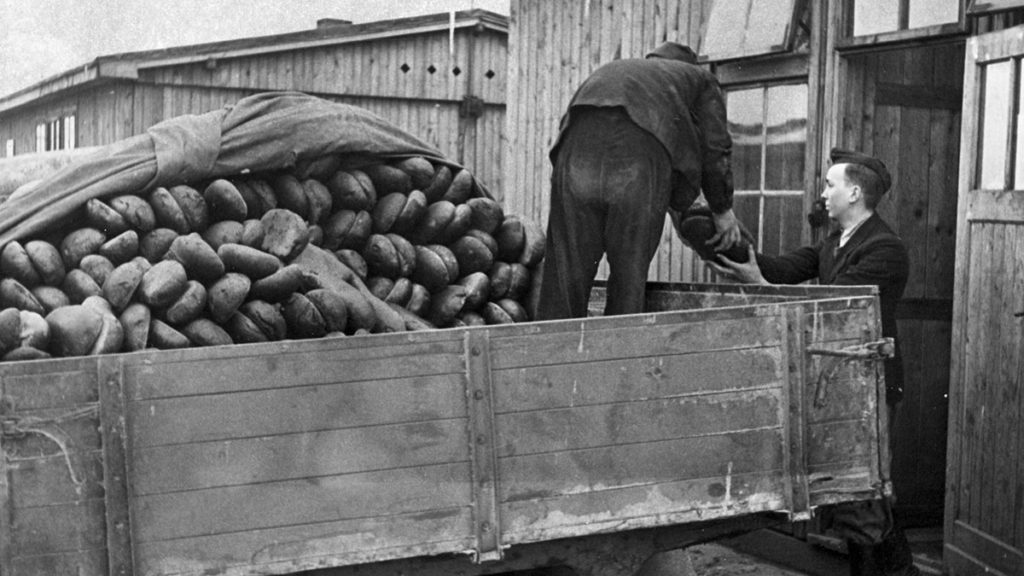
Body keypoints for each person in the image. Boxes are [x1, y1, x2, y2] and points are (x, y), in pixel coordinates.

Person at [709, 148, 918, 576]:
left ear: (855, 192)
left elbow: (829, 303)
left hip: (871, 383)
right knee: (858, 492)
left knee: (864, 491)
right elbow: (785, 268)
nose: (823, 193)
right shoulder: (834, 242)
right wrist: (733, 248)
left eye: (830, 184)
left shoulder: (885, 249)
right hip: (842, 380)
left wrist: (759, 283)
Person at [535, 41, 741, 320]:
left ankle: (549, 355)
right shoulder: (700, 79)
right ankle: (619, 356)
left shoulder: (620, 70)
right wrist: (722, 208)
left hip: (572, 155)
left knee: (565, 272)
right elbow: (715, 147)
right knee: (628, 273)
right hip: (635, 158)